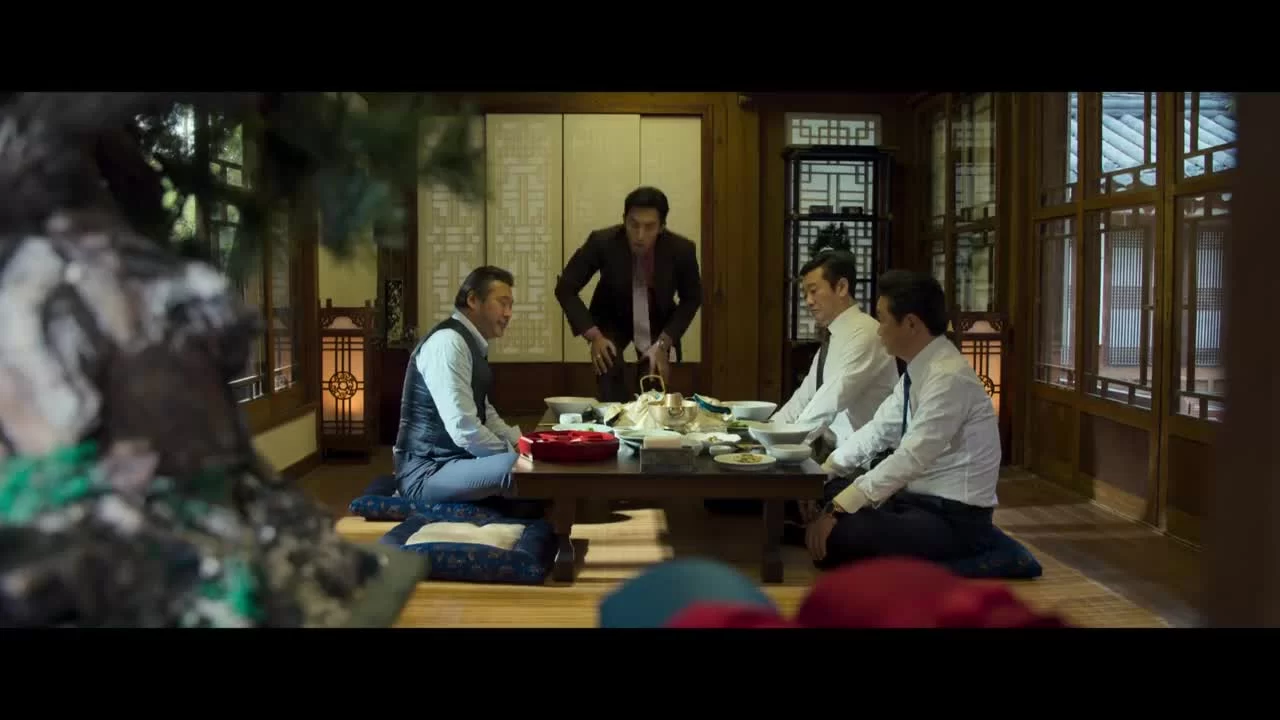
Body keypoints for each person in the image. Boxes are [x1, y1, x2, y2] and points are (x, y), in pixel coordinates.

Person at [802, 269, 1002, 569]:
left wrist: (838, 508)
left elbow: (911, 456)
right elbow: (877, 431)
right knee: (826, 491)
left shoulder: (948, 377)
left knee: (845, 532)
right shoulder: (918, 369)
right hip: (913, 502)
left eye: (882, 319)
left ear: (910, 324)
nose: (878, 330)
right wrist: (824, 475)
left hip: (954, 517)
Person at [392, 266, 525, 507]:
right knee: (518, 468)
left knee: (530, 465)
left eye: (511, 306)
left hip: (456, 462)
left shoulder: (470, 343)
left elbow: (486, 414)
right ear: (473, 300)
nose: (508, 314)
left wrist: (522, 443)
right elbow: (464, 428)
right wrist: (512, 453)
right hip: (427, 471)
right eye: (502, 303)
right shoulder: (448, 343)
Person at [555, 186, 703, 402]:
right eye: (634, 225)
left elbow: (692, 298)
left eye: (649, 227)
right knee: (608, 371)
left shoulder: (681, 250)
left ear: (662, 226)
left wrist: (664, 343)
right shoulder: (602, 242)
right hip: (612, 316)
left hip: (658, 320)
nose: (640, 236)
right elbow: (566, 287)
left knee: (653, 384)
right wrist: (594, 336)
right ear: (624, 220)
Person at [771, 249, 899, 451]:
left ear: (841, 287)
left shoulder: (866, 333)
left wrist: (786, 445)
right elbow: (803, 398)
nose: (808, 301)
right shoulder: (833, 336)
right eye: (805, 294)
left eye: (814, 291)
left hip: (870, 458)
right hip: (840, 453)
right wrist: (768, 432)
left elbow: (831, 399)